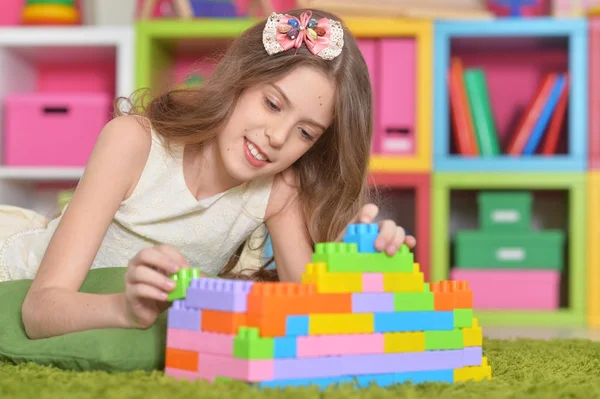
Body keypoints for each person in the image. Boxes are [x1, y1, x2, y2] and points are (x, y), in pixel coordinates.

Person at [0, 8, 416, 340]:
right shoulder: (132, 144)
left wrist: (353, 262)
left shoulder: (279, 187)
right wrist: (124, 310)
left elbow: (308, 307)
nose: (276, 137)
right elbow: (39, 311)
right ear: (239, 81)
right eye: (272, 104)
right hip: (17, 273)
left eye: (305, 132)